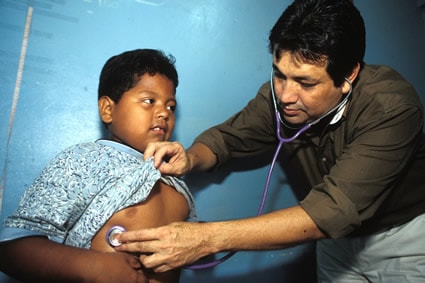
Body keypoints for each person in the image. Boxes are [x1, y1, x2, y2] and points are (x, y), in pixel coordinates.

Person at [115, 0, 425, 281]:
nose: (286, 96)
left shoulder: (392, 108)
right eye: (279, 74)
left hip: (402, 240)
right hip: (334, 243)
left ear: (349, 75)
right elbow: (227, 138)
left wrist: (205, 238)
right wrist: (192, 157)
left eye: (306, 82)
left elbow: (332, 210)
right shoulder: (277, 99)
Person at [0, 49, 196, 283]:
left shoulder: (177, 183)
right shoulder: (83, 161)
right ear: (107, 109)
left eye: (171, 106)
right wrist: (93, 266)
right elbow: (12, 247)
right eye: (149, 101)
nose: (164, 112)